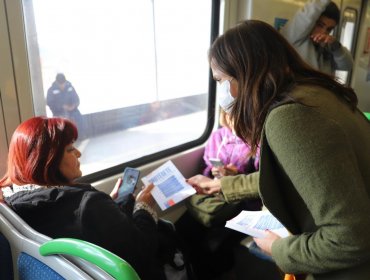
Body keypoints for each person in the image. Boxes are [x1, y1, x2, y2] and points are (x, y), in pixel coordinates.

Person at [187, 19, 370, 279]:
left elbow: (350, 239)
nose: (222, 92)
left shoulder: (290, 117)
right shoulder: (314, 94)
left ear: (243, 74)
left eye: (220, 80)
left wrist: (278, 248)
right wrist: (221, 186)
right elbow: (297, 173)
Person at [0, 116, 165, 280]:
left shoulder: (10, 196)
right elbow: (142, 253)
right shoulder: (89, 204)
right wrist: (144, 207)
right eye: (70, 149)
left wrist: (109, 205)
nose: (78, 153)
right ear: (47, 160)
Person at [280, 0, 353, 75]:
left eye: (329, 29)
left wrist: (337, 47)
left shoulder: (328, 47)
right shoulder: (293, 37)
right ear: (312, 22)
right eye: (320, 25)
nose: (323, 32)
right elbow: (306, 16)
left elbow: (347, 66)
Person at [202, 107, 259, 179]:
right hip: (215, 184)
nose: (229, 117)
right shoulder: (217, 136)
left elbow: (259, 179)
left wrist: (237, 175)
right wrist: (212, 172)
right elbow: (207, 166)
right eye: (227, 113)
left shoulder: (257, 143)